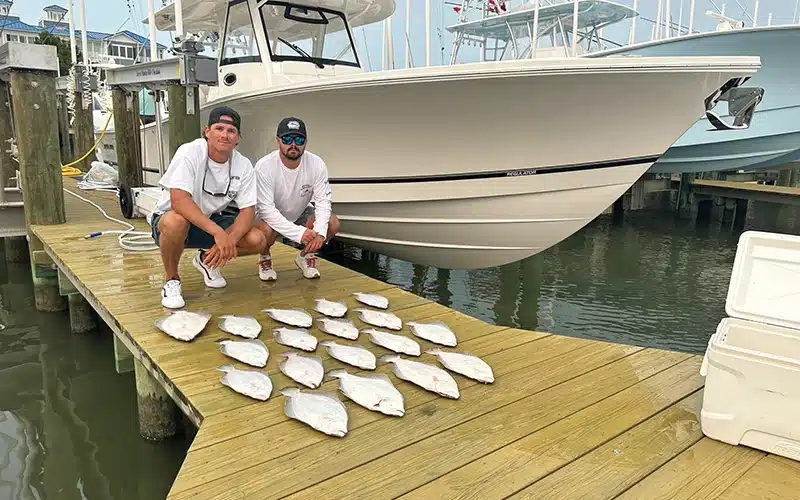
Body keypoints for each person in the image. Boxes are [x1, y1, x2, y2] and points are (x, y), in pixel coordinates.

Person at [149, 106, 266, 309]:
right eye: (219, 128)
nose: (224, 135)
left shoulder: (244, 165)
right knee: (176, 221)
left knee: (257, 239)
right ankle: (172, 280)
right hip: (171, 221)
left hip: (209, 219)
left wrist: (230, 238)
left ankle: (206, 260)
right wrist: (218, 233)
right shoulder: (189, 152)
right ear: (207, 132)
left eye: (231, 131)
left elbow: (248, 211)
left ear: (238, 138)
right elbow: (179, 200)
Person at [253, 117, 339, 281]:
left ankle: (305, 256)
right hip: (270, 214)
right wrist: (299, 233)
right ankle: (264, 258)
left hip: (300, 211)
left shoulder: (317, 163)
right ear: (278, 140)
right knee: (265, 231)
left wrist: (320, 233)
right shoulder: (264, 166)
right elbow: (266, 209)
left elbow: (323, 201)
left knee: (332, 223)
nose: (293, 144)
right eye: (287, 139)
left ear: (305, 142)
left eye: (299, 139)